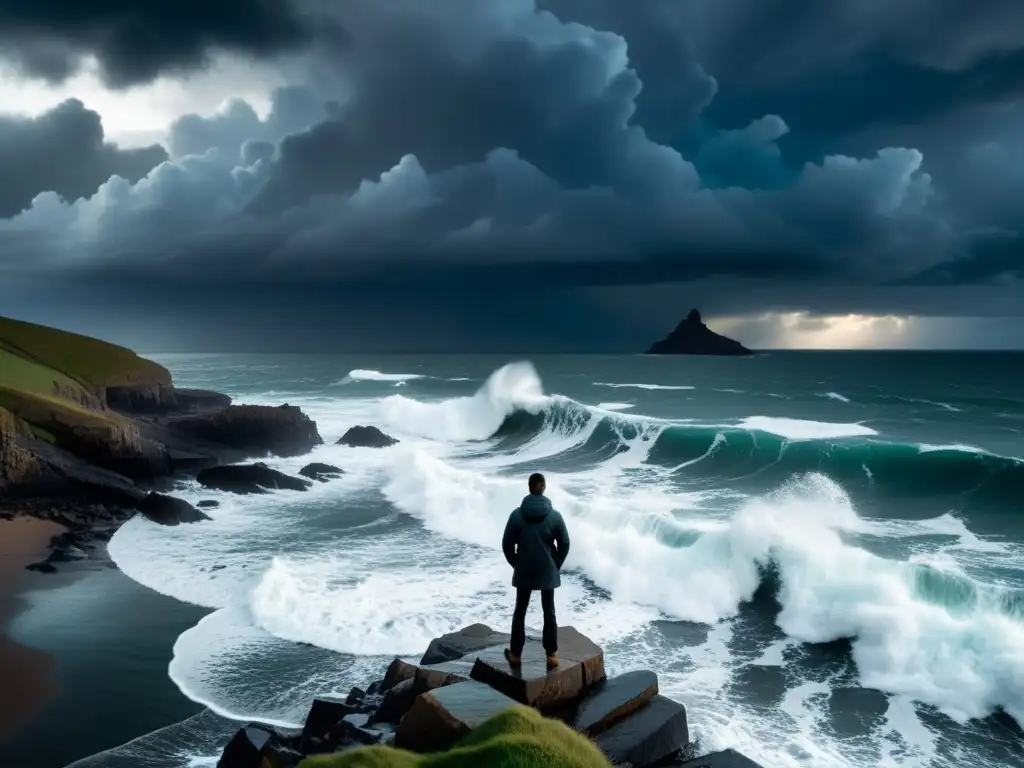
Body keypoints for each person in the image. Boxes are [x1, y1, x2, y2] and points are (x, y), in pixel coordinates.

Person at [501, 472, 570, 669]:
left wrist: (517, 563)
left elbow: (507, 544)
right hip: (547, 569)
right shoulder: (555, 516)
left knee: (520, 611)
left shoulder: (516, 516)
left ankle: (515, 654)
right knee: (549, 611)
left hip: (524, 569)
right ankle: (551, 656)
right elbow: (564, 543)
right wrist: (555, 565)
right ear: (544, 488)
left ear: (529, 488)